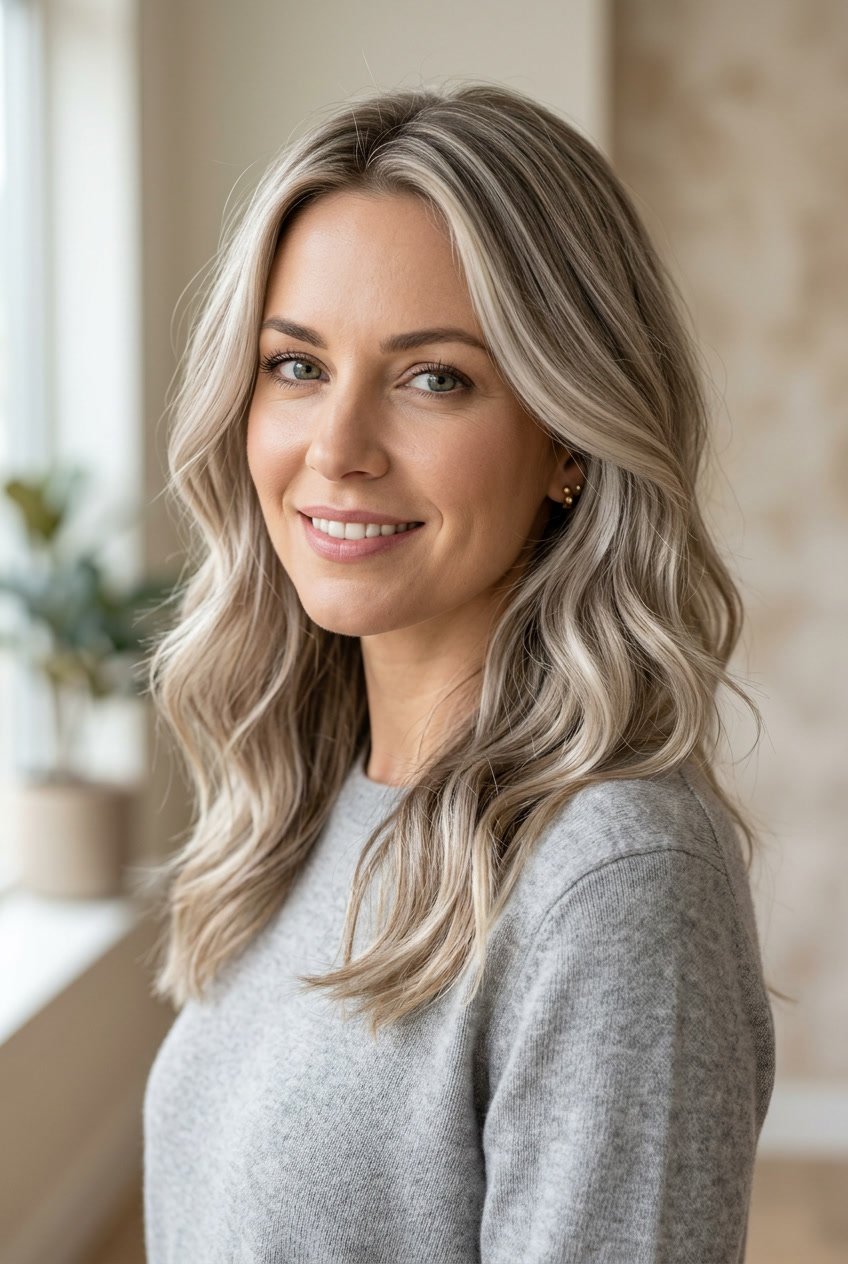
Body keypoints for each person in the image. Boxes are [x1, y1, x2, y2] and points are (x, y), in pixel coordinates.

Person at [141, 81, 778, 1263]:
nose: (337, 449)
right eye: (294, 366)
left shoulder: (611, 882)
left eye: (434, 377)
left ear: (569, 443)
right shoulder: (305, 794)